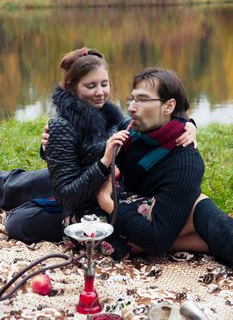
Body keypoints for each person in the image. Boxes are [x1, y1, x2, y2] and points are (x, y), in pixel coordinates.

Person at [4, 49, 196, 245]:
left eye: (104, 84)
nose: (100, 92)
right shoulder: (63, 124)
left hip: (87, 185)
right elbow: (69, 194)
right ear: (72, 88)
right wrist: (101, 162)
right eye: (90, 86)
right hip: (76, 185)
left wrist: (188, 124)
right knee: (15, 187)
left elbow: (149, 122)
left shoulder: (112, 114)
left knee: (22, 211)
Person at [97, 67, 233, 266]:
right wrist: (51, 143)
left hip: (154, 215)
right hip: (148, 207)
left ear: (168, 106)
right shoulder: (133, 134)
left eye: (142, 100)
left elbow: (156, 240)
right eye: (132, 99)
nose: (131, 108)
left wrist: (106, 201)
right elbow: (85, 145)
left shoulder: (185, 163)